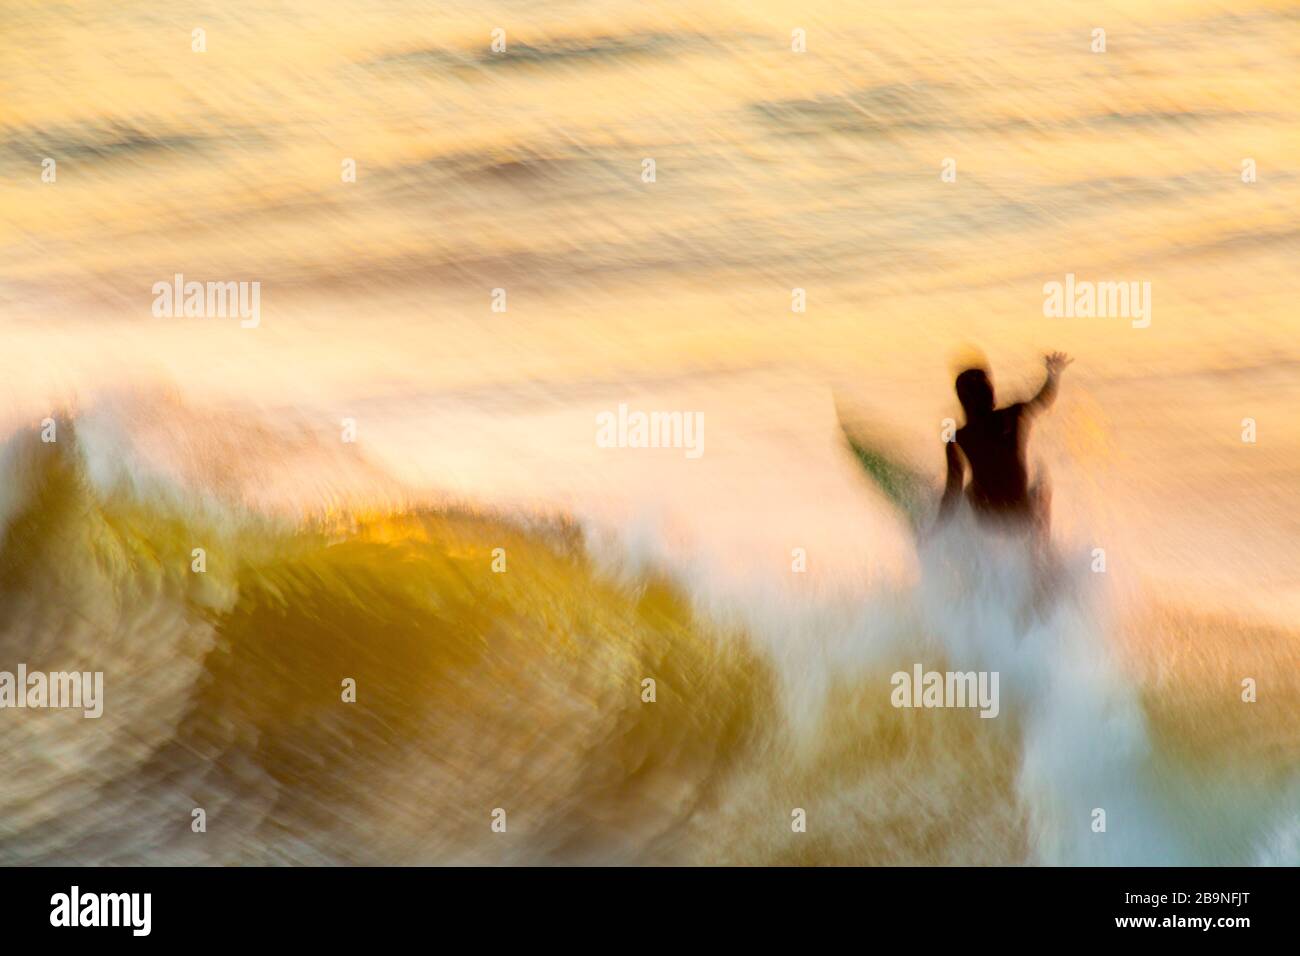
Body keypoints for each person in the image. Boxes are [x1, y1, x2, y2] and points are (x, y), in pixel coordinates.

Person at [937, 352, 1072, 542]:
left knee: (967, 491)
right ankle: (1042, 552)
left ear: (963, 401)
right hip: (1021, 512)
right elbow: (1043, 399)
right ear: (989, 394)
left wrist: (936, 527)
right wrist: (1053, 375)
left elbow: (952, 491)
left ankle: (968, 544)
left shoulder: (958, 438)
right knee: (1041, 487)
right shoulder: (1011, 416)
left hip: (987, 516)